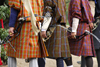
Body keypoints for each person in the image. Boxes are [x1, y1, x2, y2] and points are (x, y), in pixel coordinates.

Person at [7, 0, 48, 67]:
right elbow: (42, 10)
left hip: (21, 25)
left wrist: (11, 26)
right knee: (33, 54)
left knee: (11, 52)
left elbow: (14, 9)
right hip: (35, 25)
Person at [38, 0, 73, 67]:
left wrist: (44, 28)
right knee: (59, 55)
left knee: (41, 50)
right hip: (61, 27)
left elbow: (48, 13)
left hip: (53, 27)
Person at [68, 0, 96, 67]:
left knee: (66, 49)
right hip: (86, 27)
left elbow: (76, 16)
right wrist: (90, 21)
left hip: (80, 28)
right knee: (87, 54)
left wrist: (74, 30)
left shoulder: (76, 0)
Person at [80, 0, 100, 67]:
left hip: (95, 21)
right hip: (92, 21)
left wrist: (90, 20)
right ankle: (83, 65)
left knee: (95, 47)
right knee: (86, 47)